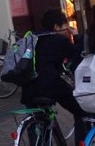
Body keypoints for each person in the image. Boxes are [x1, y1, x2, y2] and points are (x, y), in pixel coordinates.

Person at [21, 8, 86, 145]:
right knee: (82, 109)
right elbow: (78, 55)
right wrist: (76, 36)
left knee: (36, 120)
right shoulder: (57, 39)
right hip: (50, 85)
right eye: (66, 26)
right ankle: (84, 141)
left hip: (28, 88)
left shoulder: (32, 37)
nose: (67, 30)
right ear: (56, 26)